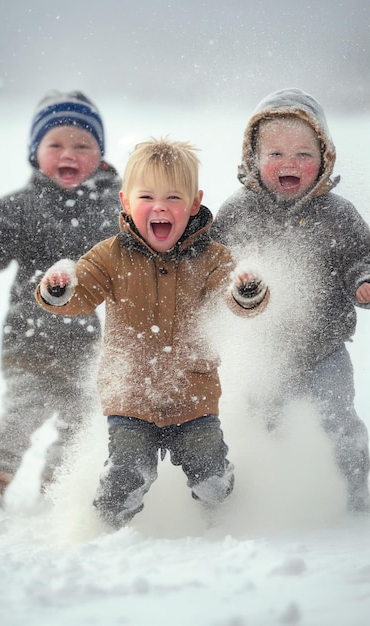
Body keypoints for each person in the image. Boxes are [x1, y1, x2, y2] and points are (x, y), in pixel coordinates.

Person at [35, 138, 269, 529]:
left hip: (192, 395)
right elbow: (83, 291)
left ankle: (222, 524)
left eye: (173, 197)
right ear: (126, 202)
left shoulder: (213, 257)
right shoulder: (111, 255)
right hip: (130, 395)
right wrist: (59, 289)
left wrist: (246, 290)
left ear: (194, 204)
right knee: (125, 474)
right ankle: (105, 532)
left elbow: (234, 297)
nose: (160, 206)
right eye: (147, 196)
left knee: (211, 475)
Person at [0, 90, 121, 505]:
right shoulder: (22, 207)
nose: (69, 154)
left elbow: (132, 249)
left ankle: (55, 491)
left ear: (100, 154)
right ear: (35, 153)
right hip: (30, 337)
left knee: (81, 421)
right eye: (56, 144)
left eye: (83, 145)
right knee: (21, 413)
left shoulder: (112, 208)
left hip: (88, 342)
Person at [211, 87, 370, 513]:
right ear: (253, 159)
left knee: (337, 421)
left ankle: (356, 493)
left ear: (325, 158)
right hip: (263, 353)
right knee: (266, 422)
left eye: (303, 153)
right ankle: (272, 493)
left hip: (325, 351)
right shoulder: (238, 211)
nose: (290, 163)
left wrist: (363, 280)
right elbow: (211, 265)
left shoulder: (338, 214)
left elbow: (362, 255)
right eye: (275, 153)